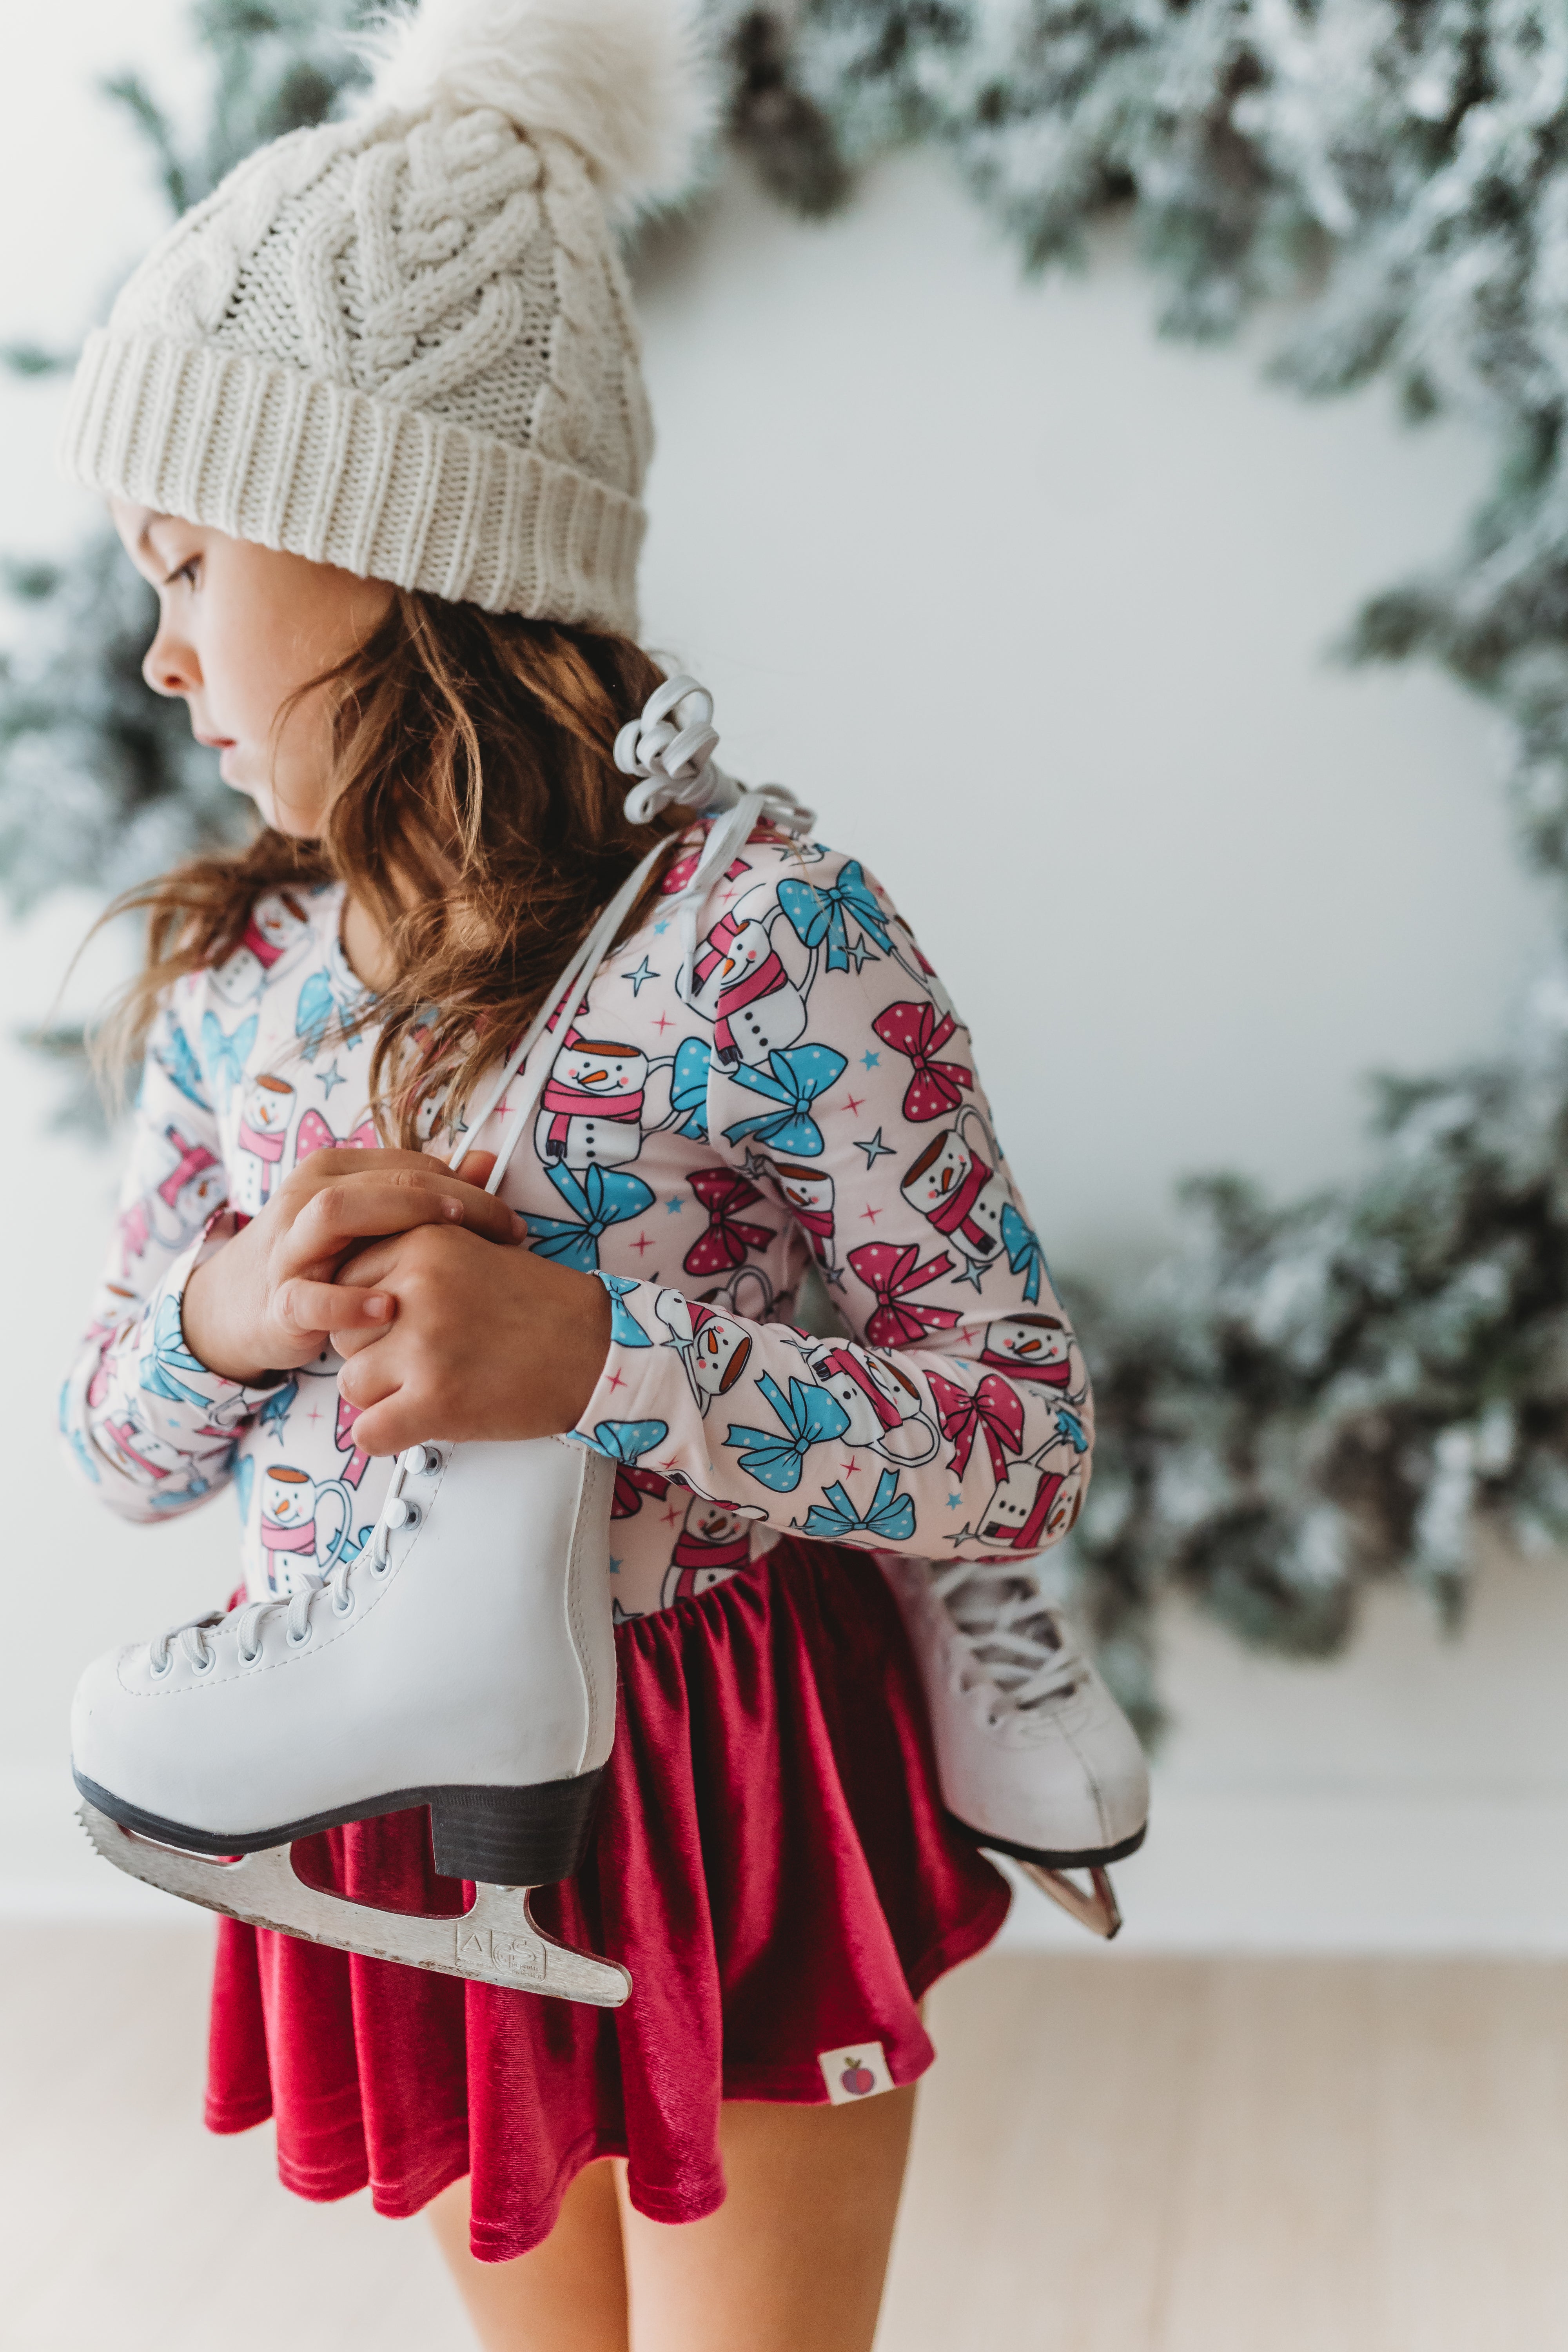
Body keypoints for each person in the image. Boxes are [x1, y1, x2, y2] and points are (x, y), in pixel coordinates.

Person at [55, 4, 1103, 2346]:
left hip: (734, 1778)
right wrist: (234, 1309)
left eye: (189, 561)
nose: (158, 652)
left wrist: (607, 1358)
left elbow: (1015, 1423)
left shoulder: (770, 937)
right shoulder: (243, 988)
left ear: (389, 545)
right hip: (415, 1793)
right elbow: (114, 1441)